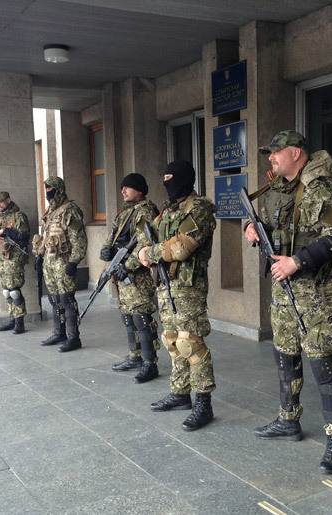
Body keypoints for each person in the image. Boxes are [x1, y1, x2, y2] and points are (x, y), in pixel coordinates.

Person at [244, 130, 332, 475]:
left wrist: (298, 261)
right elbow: (275, 232)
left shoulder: (322, 188)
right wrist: (251, 229)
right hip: (285, 292)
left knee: (323, 365)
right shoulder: (279, 190)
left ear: (295, 152)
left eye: (275, 153)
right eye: (269, 154)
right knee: (285, 355)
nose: (270, 158)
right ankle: (288, 420)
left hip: (318, 295)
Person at [138, 160, 217, 431]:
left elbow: (182, 248)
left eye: (171, 177)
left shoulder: (200, 209)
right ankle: (180, 393)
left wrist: (149, 254)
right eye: (164, 177)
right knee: (172, 341)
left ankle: (203, 403)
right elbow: (150, 239)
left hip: (188, 288)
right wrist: (147, 250)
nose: (167, 182)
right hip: (166, 286)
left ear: (184, 178)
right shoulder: (167, 211)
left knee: (191, 344)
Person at [101, 173, 160, 383]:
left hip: (139, 275)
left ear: (140, 190)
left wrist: (129, 265)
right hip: (123, 273)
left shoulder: (144, 211)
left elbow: (146, 244)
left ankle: (149, 362)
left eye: (127, 187)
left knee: (141, 317)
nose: (123, 191)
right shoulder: (126, 212)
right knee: (128, 315)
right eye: (122, 187)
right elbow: (113, 236)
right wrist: (106, 250)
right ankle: (135, 355)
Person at [32, 176, 87, 353]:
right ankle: (59, 332)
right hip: (49, 261)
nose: (48, 192)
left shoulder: (70, 210)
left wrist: (74, 261)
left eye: (51, 189)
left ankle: (73, 337)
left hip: (64, 262)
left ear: (59, 189)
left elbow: (79, 239)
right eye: (46, 189)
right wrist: (39, 255)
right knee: (54, 298)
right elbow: (46, 237)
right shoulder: (50, 212)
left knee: (66, 299)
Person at [0, 191, 31, 334]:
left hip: (14, 258)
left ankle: (20, 322)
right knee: (6, 291)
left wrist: (6, 231)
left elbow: (24, 235)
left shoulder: (19, 216)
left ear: (8, 200)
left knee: (15, 290)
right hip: (2, 258)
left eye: (1, 201)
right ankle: (12, 319)